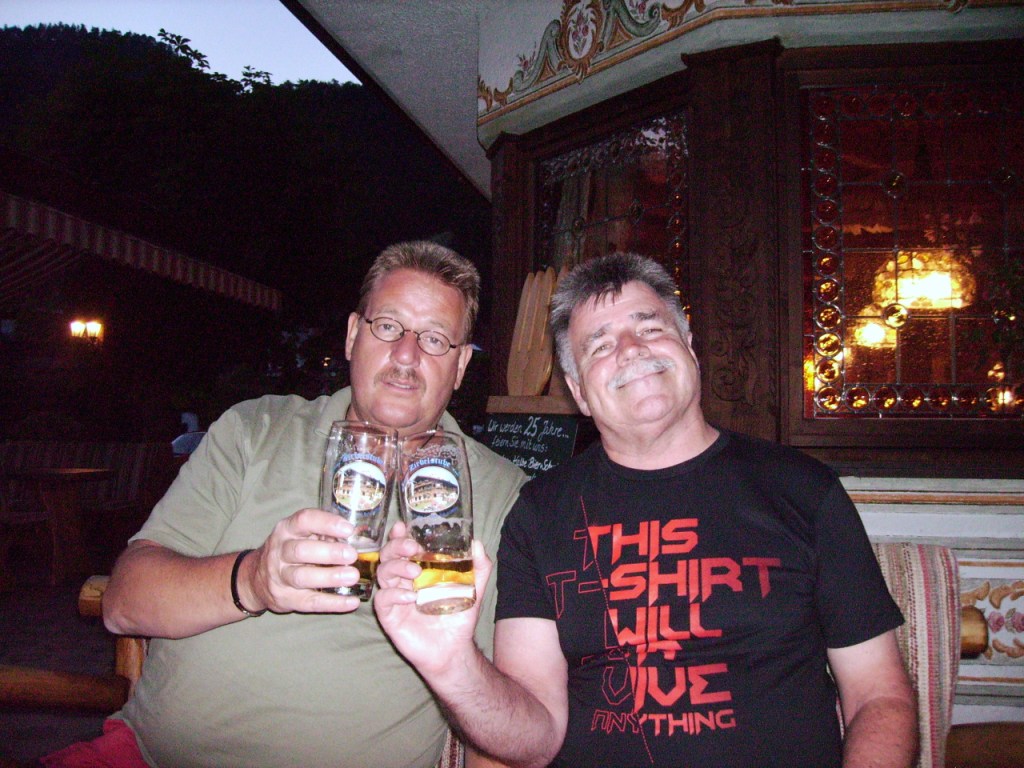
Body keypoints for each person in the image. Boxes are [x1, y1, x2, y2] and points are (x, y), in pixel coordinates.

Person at [375, 252, 918, 768]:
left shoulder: (804, 490)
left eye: (651, 327)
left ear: (689, 347)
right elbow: (533, 741)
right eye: (600, 345)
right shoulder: (538, 515)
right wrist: (452, 664)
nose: (632, 349)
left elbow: (879, 697)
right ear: (578, 393)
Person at [42, 241, 526, 768]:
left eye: (434, 339)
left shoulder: (501, 493)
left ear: (460, 365)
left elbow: (506, 725)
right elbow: (123, 604)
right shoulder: (256, 429)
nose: (406, 356)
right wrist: (255, 580)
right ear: (352, 336)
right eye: (388, 327)